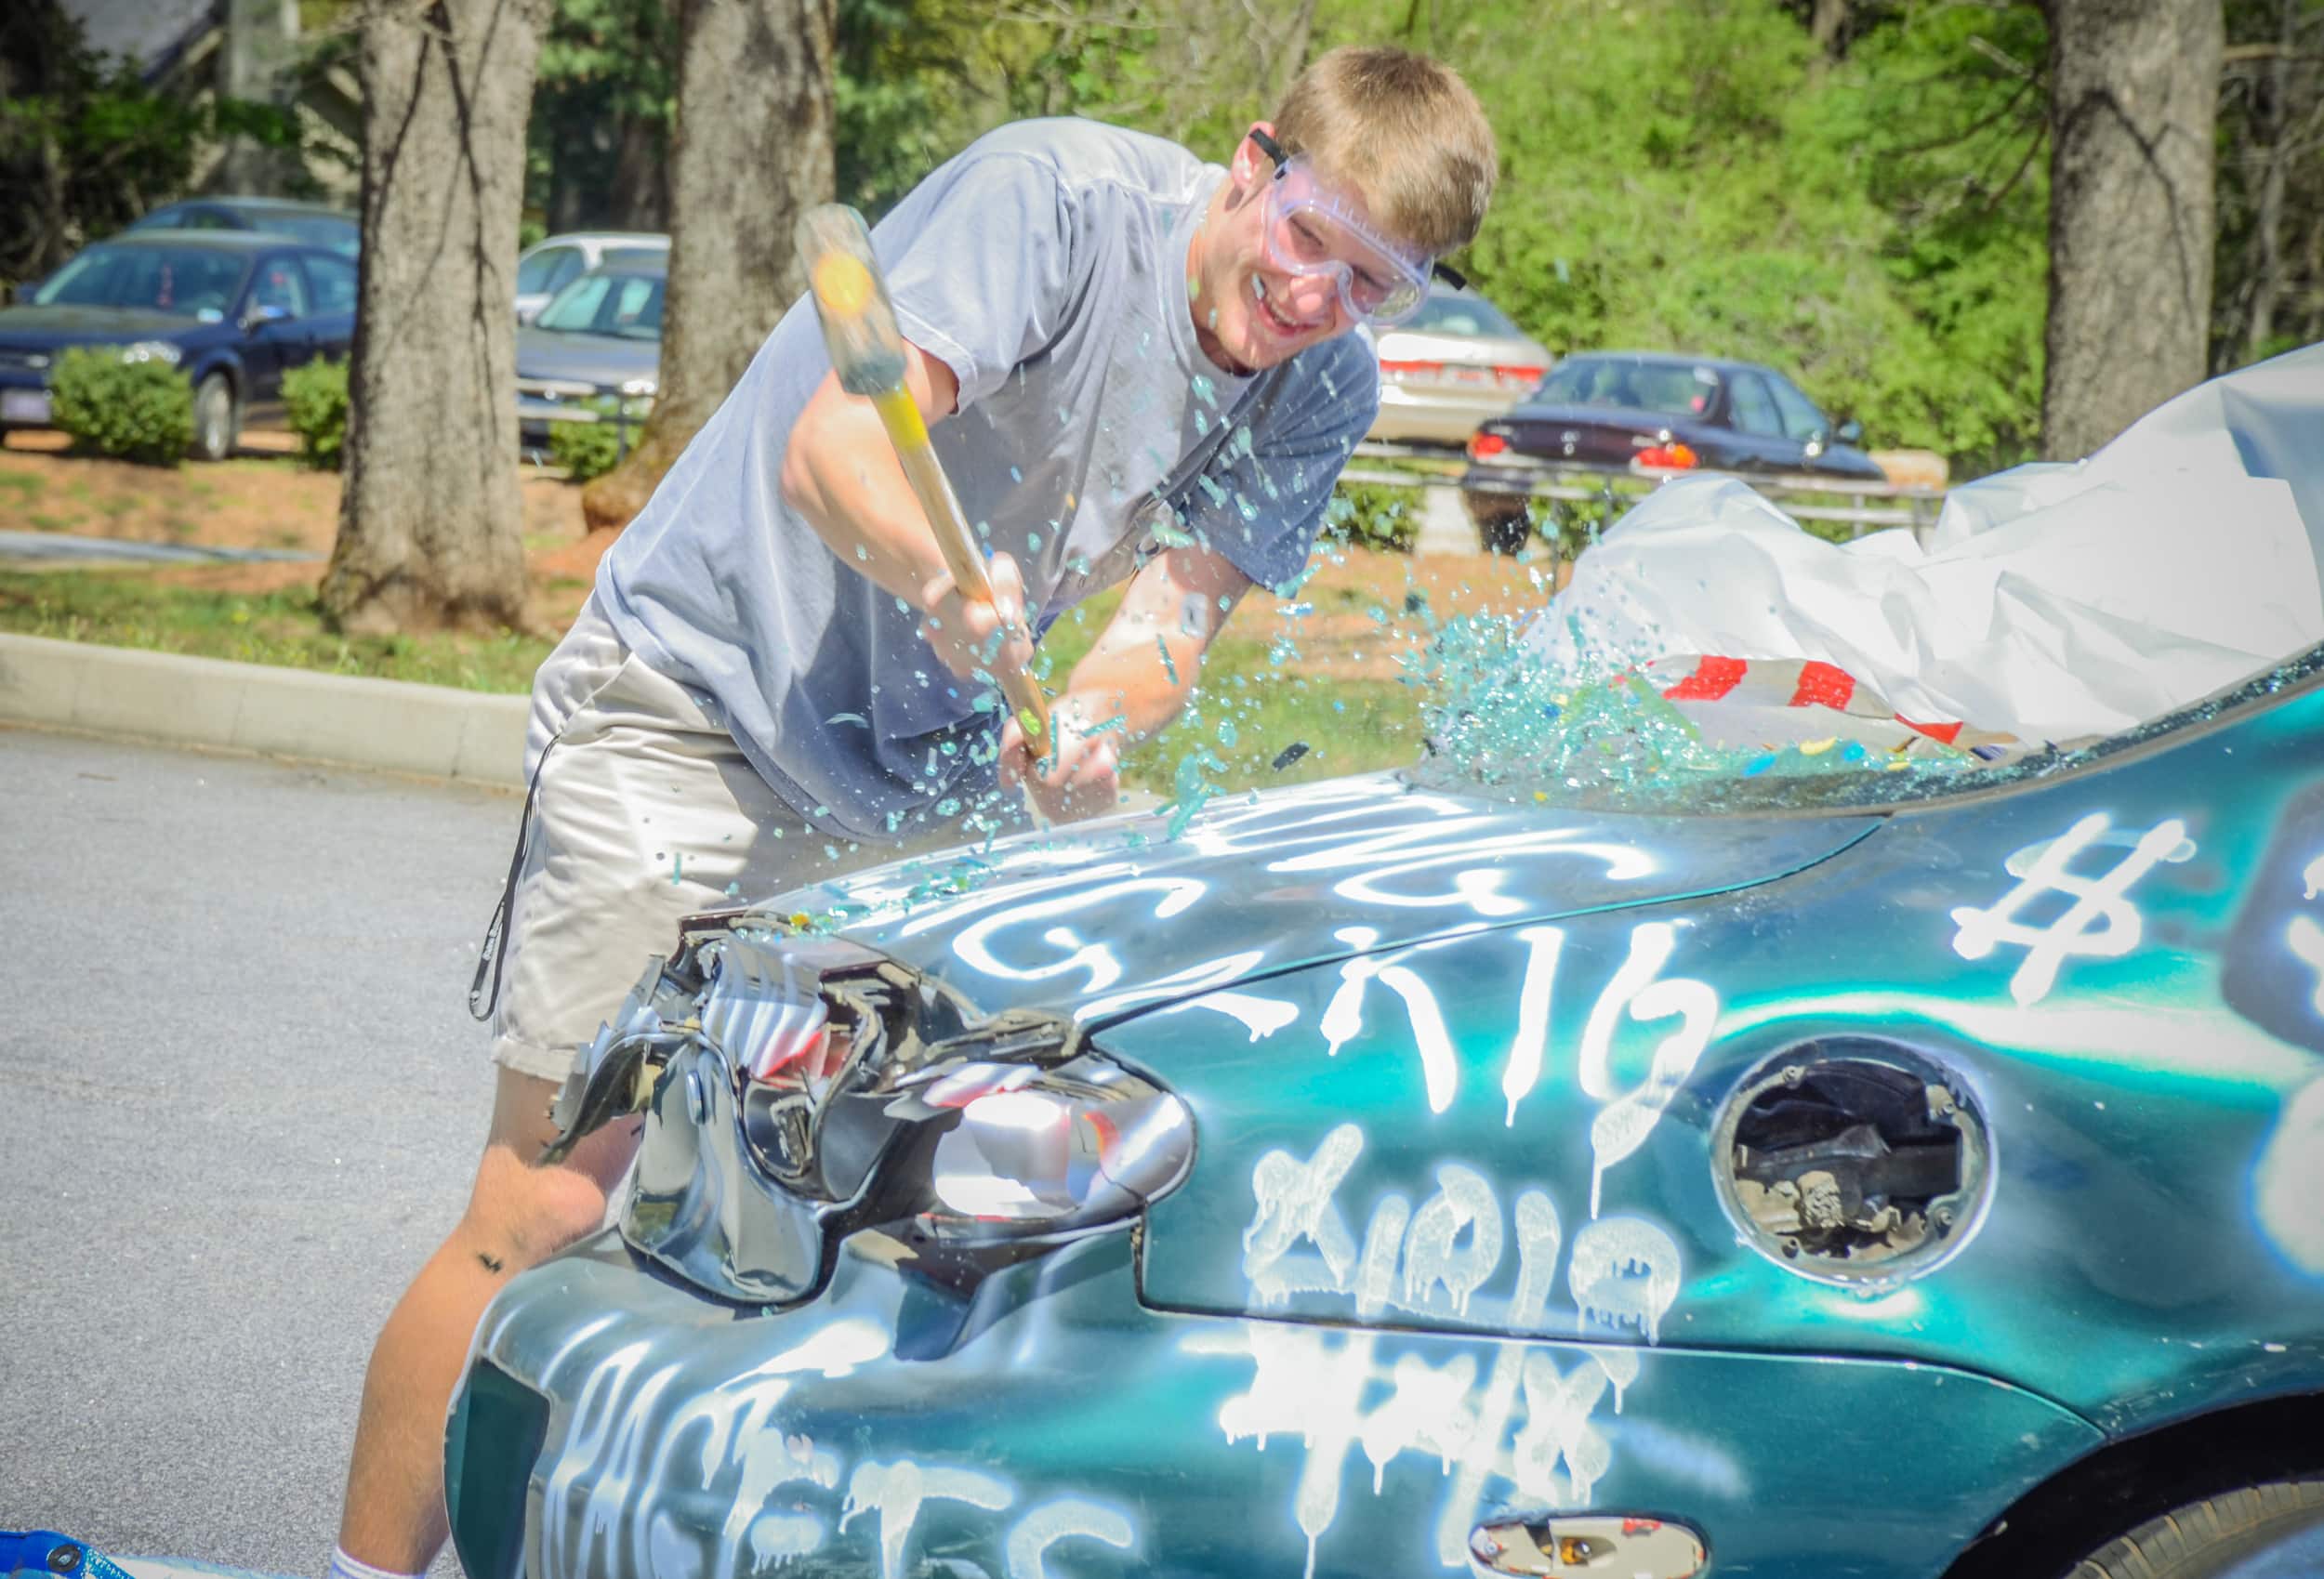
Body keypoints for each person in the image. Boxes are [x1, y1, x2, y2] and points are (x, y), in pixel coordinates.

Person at [324, 45, 1496, 1579]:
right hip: (696, 711)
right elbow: (833, 449)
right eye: (1309, 238)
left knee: (908, 1242)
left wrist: (1085, 728)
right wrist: (942, 581)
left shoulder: (1322, 386)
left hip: (926, 778)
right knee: (546, 1207)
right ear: (1251, 162)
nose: (1317, 298)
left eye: (1374, 281)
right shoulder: (1055, 203)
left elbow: (1168, 632)